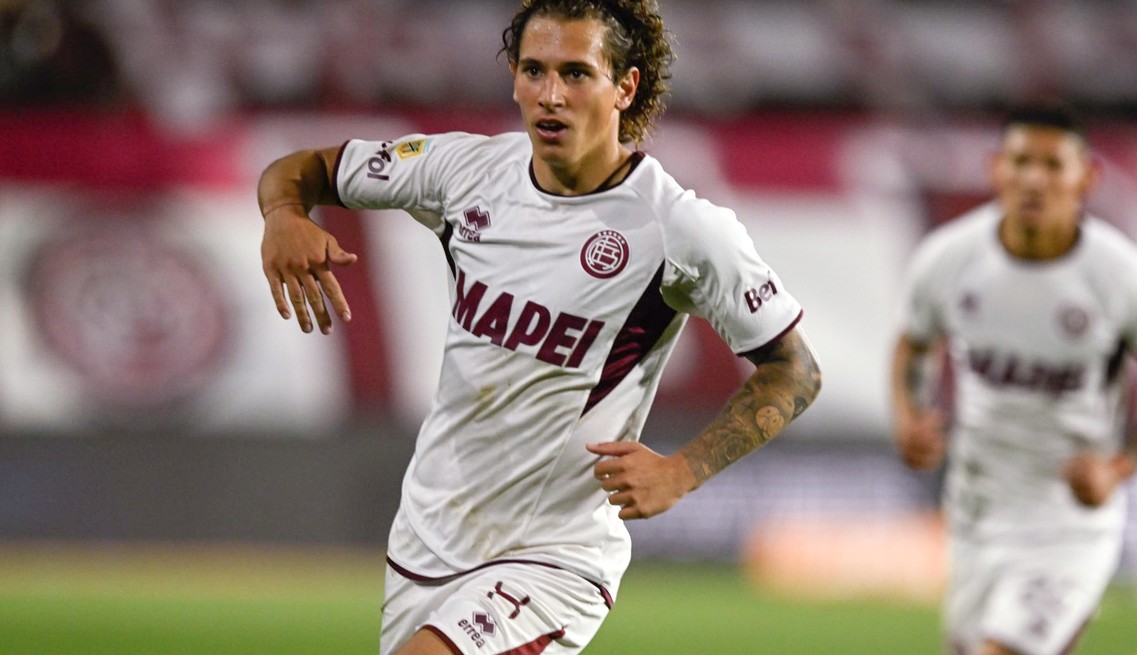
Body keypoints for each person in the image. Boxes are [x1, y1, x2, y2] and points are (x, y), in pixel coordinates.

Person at [257, 1, 821, 653]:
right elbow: (300, 169)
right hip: (426, 539)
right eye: (534, 70)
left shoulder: (678, 227)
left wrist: (683, 471)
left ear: (625, 87)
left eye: (576, 73)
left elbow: (795, 369)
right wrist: (283, 214)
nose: (550, 95)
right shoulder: (465, 172)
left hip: (552, 558)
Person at [889, 104, 1137, 655]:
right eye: (1020, 162)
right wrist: (908, 418)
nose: (1034, 179)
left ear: (1087, 177)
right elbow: (912, 344)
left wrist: (1118, 468)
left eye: (1053, 165)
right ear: (996, 170)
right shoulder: (949, 259)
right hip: (976, 511)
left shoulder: (1122, 277)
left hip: (1069, 521)